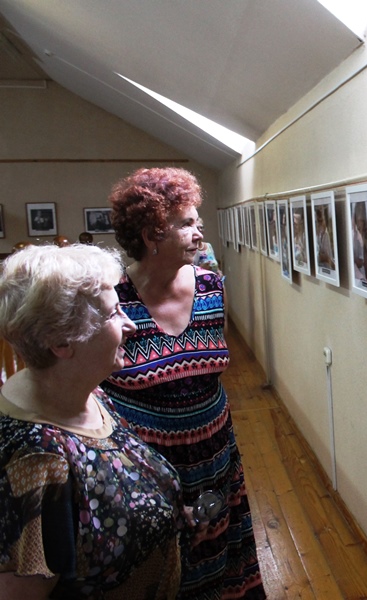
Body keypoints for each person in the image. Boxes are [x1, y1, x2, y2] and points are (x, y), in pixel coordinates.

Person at [101, 167, 266, 599]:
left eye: (199, 221)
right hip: (148, 474)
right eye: (188, 223)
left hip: (214, 456)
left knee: (221, 570)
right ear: (152, 233)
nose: (200, 232)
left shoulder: (210, 287)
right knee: (163, 575)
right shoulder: (112, 300)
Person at [0, 244, 183, 599]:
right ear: (61, 342)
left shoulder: (84, 394)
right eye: (113, 314)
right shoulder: (37, 461)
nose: (130, 324)